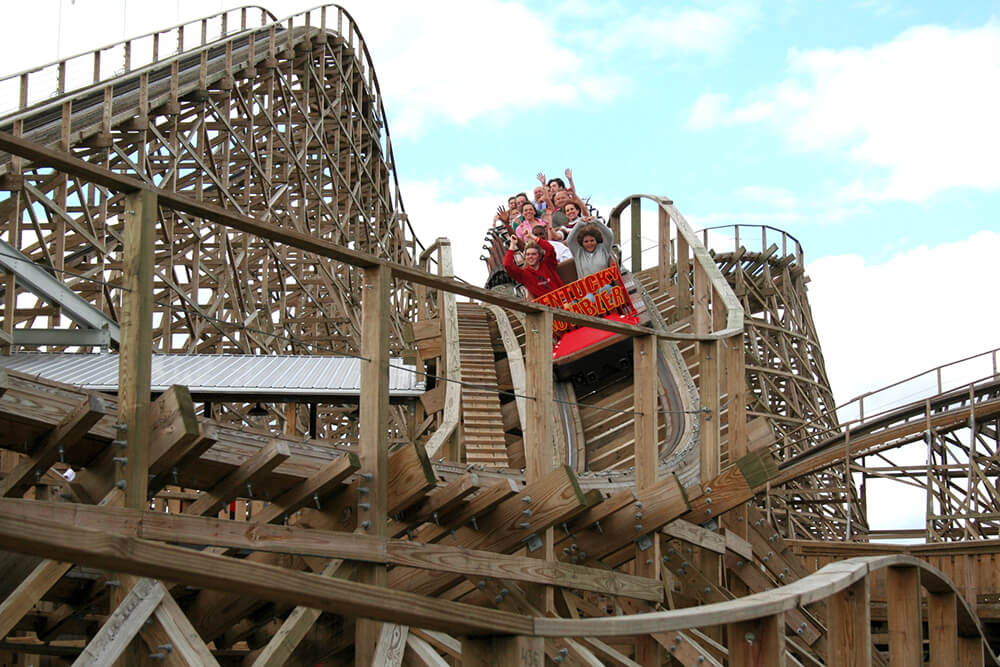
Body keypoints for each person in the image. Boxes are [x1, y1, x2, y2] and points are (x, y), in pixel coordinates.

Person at [504, 229, 564, 298]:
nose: (530, 257)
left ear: (539, 256)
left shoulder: (548, 264)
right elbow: (507, 265)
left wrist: (531, 236)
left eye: (534, 254)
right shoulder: (524, 275)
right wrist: (512, 244)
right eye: (528, 254)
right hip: (546, 306)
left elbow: (550, 249)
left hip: (562, 298)